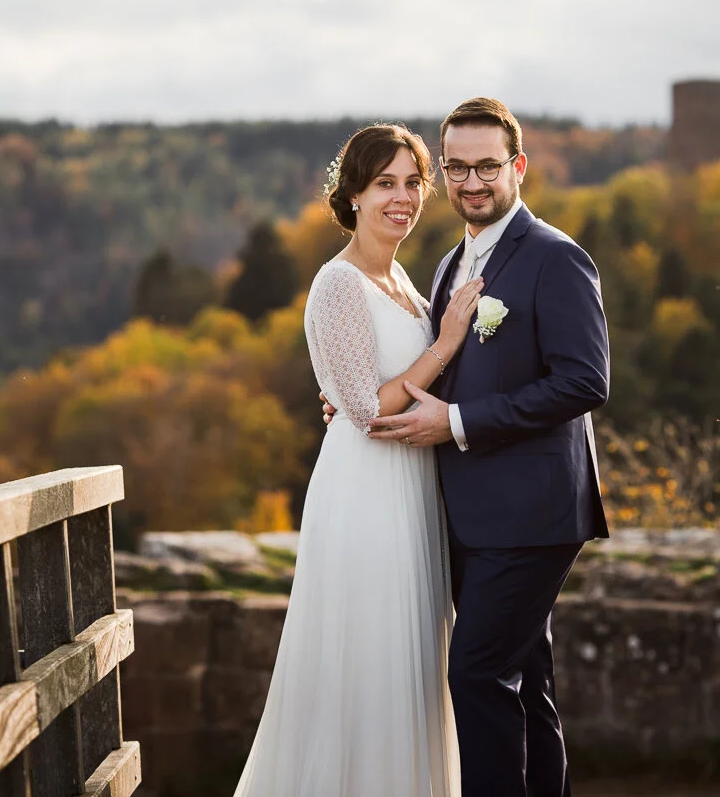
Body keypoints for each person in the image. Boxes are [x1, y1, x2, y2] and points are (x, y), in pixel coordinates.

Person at [342, 97, 611, 797]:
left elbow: (585, 380)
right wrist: (363, 393)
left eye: (487, 166)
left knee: (476, 673)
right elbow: (438, 359)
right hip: (470, 514)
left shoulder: (556, 257)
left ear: (517, 167)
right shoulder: (449, 264)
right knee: (526, 684)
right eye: (456, 167)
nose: (471, 182)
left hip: (533, 510)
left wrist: (458, 423)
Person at [233, 123, 482, 797]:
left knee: (408, 663)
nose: (401, 199)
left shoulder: (400, 277)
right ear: (353, 196)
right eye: (384, 185)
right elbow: (370, 411)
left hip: (411, 485)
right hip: (367, 491)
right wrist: (448, 341)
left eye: (411, 183)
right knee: (367, 656)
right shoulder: (337, 283)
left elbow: (366, 387)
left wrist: (367, 390)